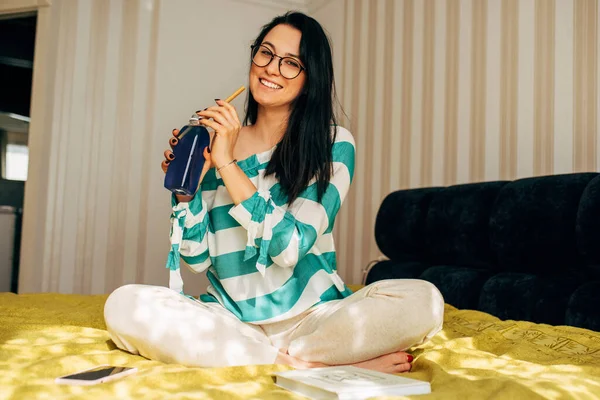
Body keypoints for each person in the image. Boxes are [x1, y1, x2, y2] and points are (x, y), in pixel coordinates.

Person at [104, 11, 444, 374]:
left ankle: (263, 357)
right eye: (265, 53)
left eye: (290, 63)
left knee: (425, 300)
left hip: (314, 320)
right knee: (123, 304)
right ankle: (301, 366)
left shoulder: (333, 145)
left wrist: (227, 165)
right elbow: (198, 260)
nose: (271, 69)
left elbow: (289, 248)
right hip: (231, 320)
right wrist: (187, 188)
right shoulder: (217, 144)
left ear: (311, 78)